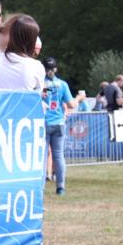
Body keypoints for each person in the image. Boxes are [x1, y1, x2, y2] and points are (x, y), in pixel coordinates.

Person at [42, 57, 77, 195]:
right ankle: (60, 187)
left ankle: (41, 187)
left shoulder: (40, 83)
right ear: (55, 69)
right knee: (58, 156)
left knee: (43, 155)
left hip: (44, 122)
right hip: (58, 123)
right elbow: (71, 105)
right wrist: (79, 99)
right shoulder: (62, 84)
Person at [0, 15, 45, 91]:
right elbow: (37, 97)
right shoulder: (37, 67)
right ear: (32, 40)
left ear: (12, 35)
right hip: (21, 103)